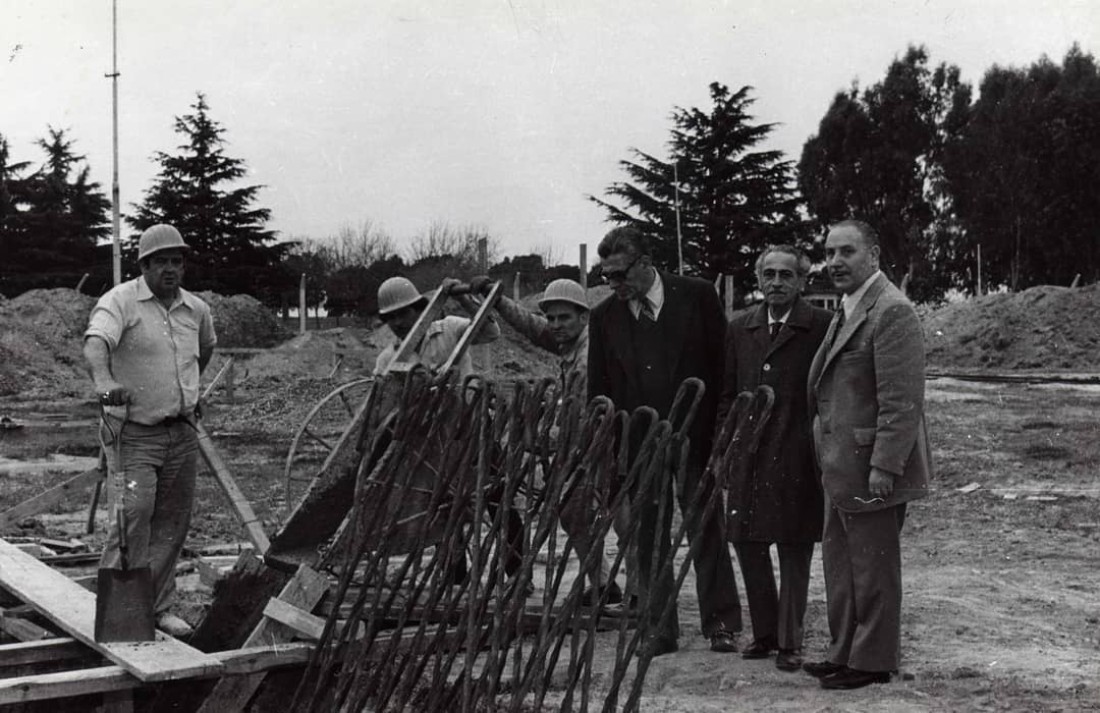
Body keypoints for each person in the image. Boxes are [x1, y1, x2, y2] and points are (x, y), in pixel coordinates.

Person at [587, 226, 741, 656]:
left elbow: (723, 367)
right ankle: (660, 629)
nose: (613, 284)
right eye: (607, 277)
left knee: (706, 527)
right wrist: (608, 452)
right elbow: (598, 391)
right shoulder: (604, 318)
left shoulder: (697, 296)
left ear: (646, 263)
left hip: (697, 434)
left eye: (620, 274)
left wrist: (720, 436)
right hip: (641, 444)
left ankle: (721, 623)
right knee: (650, 535)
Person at [804, 219, 933, 689]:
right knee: (842, 562)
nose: (835, 261)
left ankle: (873, 661)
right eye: (830, 252)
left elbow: (902, 402)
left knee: (873, 567)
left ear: (874, 256)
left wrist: (885, 466)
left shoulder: (892, 311)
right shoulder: (850, 307)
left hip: (871, 468)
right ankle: (844, 652)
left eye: (847, 252)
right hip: (840, 465)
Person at [83, 224, 216, 638]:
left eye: (178, 261)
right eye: (162, 261)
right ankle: (122, 619)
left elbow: (205, 349)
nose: (171, 269)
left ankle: (157, 609)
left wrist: (187, 391)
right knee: (131, 521)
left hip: (181, 433)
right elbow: (95, 344)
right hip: (135, 434)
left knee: (172, 524)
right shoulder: (120, 301)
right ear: (143, 265)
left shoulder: (196, 310)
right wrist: (104, 381)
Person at [468, 275, 623, 606]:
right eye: (552, 317)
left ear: (584, 317)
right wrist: (497, 299)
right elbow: (534, 328)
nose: (555, 325)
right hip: (593, 440)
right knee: (576, 513)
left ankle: (626, 589)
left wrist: (535, 438)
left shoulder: (585, 359)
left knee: (600, 514)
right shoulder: (573, 340)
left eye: (564, 317)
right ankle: (605, 582)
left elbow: (579, 425)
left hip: (607, 444)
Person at [717, 245, 831, 672]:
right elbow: (728, 393)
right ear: (759, 279)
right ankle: (764, 635)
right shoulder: (740, 327)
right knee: (747, 541)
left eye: (787, 275)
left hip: (797, 452)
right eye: (770, 274)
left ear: (802, 281)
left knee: (794, 547)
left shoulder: (819, 326)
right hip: (748, 454)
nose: (777, 283)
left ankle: (789, 641)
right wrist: (724, 448)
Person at [373, 276, 500, 377]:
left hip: (468, 408)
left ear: (419, 310)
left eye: (403, 313)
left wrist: (464, 299)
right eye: (391, 317)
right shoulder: (386, 360)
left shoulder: (450, 329)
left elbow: (491, 333)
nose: (398, 322)